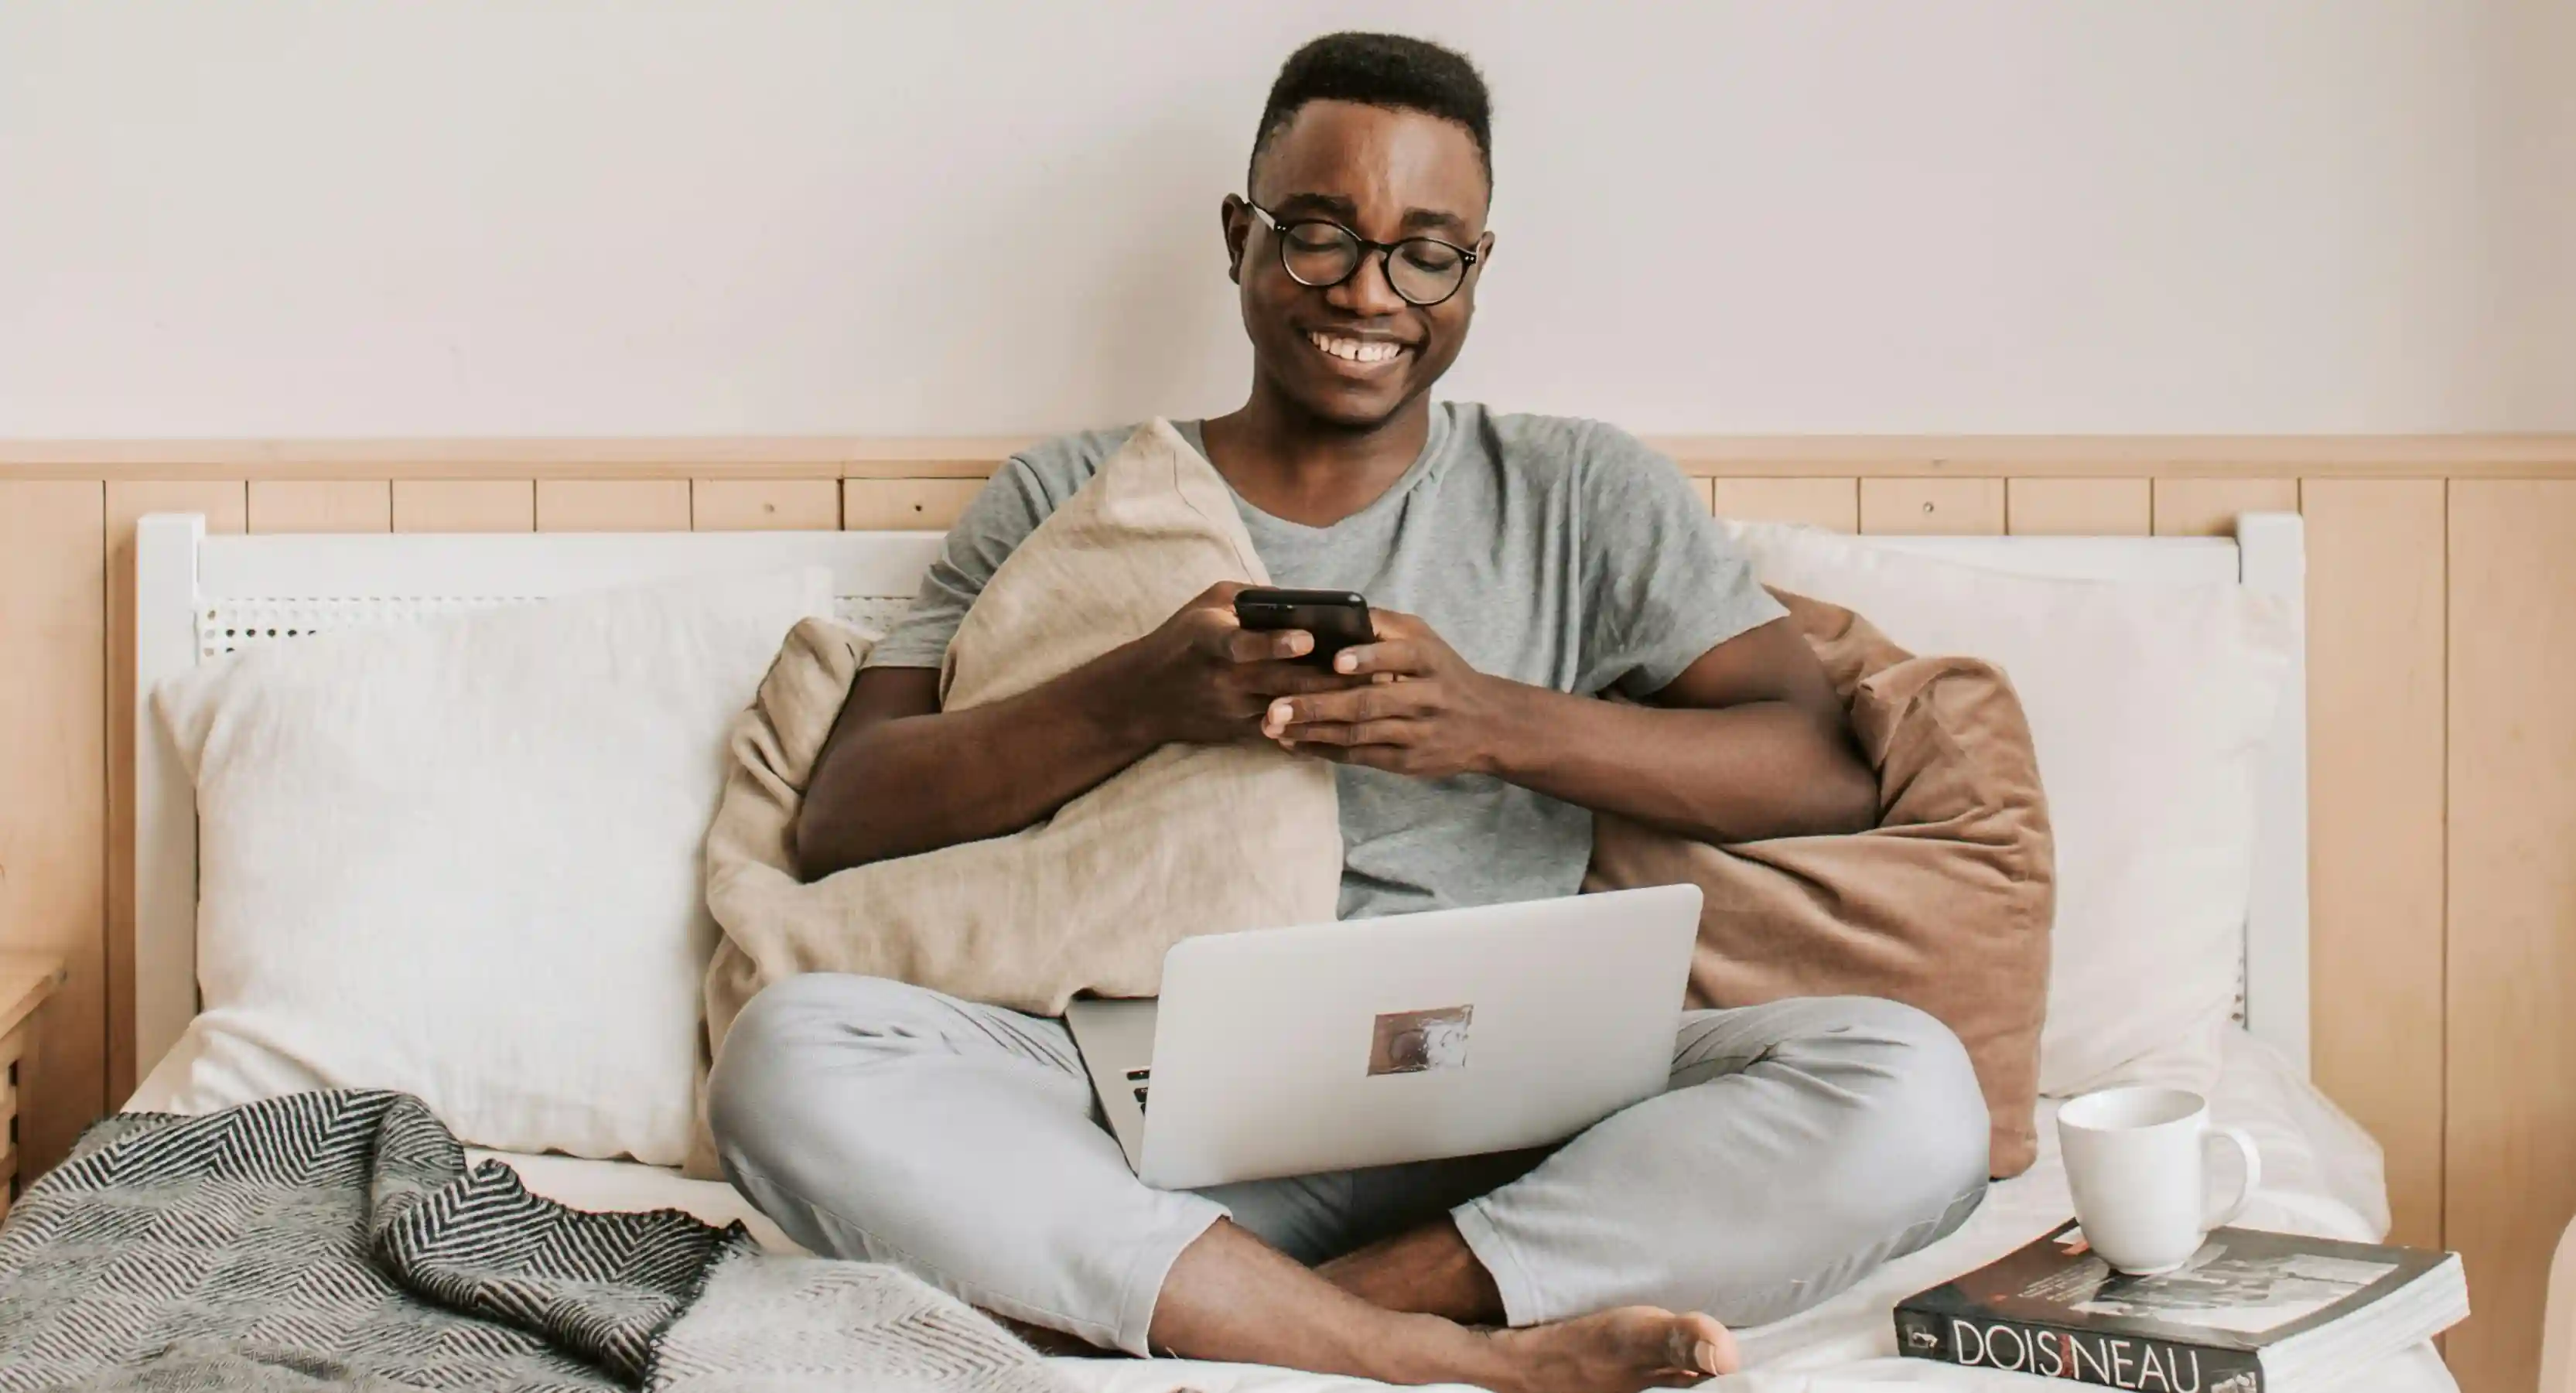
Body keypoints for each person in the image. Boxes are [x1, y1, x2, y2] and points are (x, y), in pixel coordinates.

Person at [708, 31, 1989, 1393]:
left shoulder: (1581, 492)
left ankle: (1313, 1311)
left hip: (1517, 1122)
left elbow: (1816, 768)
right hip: (1132, 1106)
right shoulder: (1066, 491)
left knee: (1905, 1087)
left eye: (1425, 252)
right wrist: (1140, 694)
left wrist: (1491, 721)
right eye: (1317, 235)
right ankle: (1420, 1351)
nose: (1368, 293)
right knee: (787, 1058)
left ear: (1476, 270)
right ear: (1238, 239)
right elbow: (846, 817)